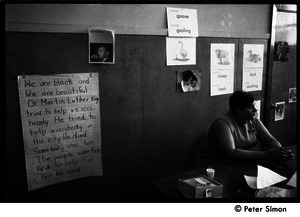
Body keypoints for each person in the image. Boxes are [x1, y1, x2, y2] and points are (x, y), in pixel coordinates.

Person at [205, 90, 294, 165]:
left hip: (244, 164)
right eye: (250, 107)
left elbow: (270, 140)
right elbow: (231, 153)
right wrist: (265, 155)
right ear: (238, 110)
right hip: (222, 166)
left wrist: (280, 152)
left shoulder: (253, 120)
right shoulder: (222, 123)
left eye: (253, 106)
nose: (255, 110)